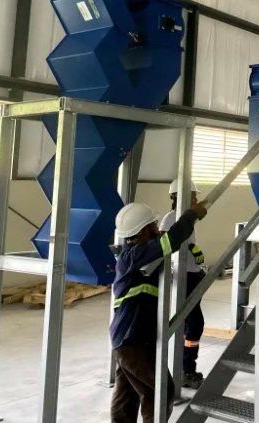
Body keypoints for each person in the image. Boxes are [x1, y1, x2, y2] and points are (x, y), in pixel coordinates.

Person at [110, 199, 208, 423]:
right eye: (153, 226)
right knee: (161, 390)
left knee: (128, 394)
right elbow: (170, 241)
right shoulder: (135, 254)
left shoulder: (135, 253)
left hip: (127, 339)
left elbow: (164, 239)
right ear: (144, 230)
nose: (157, 229)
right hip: (132, 340)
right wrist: (191, 214)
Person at [159, 179, 207, 389]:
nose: (197, 199)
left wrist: (193, 248)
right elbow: (164, 244)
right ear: (181, 197)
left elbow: (187, 240)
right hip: (183, 277)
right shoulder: (170, 219)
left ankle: (186, 368)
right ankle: (185, 369)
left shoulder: (187, 218)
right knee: (194, 324)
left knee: (192, 324)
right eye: (193, 195)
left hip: (194, 274)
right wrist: (185, 251)